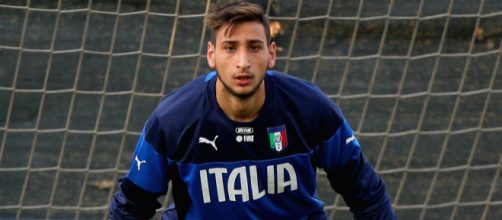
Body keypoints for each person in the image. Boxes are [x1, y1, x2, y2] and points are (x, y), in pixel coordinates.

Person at [109, 0, 397, 219]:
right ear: (212, 55)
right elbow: (132, 205)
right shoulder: (173, 120)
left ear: (271, 54)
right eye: (230, 47)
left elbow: (365, 193)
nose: (243, 62)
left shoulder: (311, 109)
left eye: (255, 47)